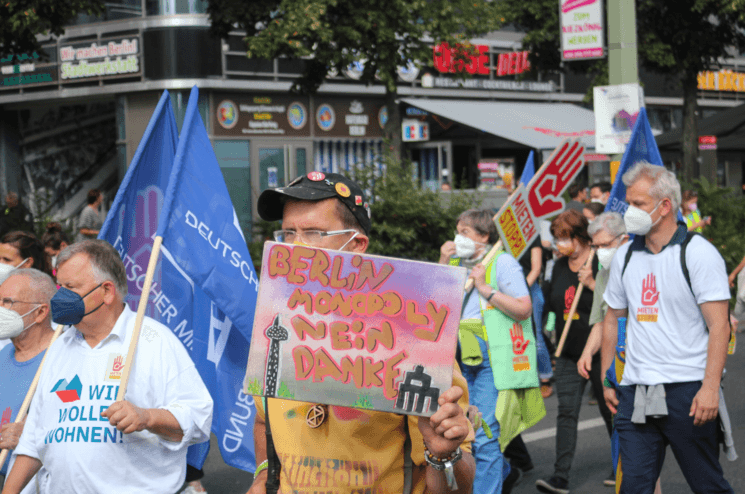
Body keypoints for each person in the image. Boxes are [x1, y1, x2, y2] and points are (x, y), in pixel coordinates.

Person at [248, 172, 475, 494]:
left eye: (313, 232)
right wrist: (263, 474)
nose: (296, 246)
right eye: (288, 232)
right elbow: (262, 420)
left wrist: (444, 455)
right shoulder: (275, 328)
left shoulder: (416, 342)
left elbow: (459, 488)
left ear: (356, 246)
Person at [3, 240, 213, 494]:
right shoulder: (60, 346)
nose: (60, 296)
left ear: (106, 292)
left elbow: (199, 419)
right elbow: (35, 439)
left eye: (70, 287)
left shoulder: (154, 340)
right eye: (60, 286)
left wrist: (147, 417)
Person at [601, 162, 734, 493]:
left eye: (639, 204)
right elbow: (612, 317)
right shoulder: (624, 256)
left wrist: (709, 387)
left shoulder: (698, 253)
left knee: (707, 484)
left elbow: (719, 326)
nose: (630, 212)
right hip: (637, 391)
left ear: (664, 206)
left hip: (686, 391)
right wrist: (608, 377)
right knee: (633, 485)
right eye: (629, 203)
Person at [439, 209, 533, 493]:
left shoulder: (502, 263)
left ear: (483, 236)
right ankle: (502, 472)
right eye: (457, 231)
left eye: (465, 232)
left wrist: (485, 288)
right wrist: (443, 261)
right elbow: (437, 302)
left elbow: (523, 308)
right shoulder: (457, 261)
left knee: (483, 435)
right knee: (468, 431)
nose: (458, 238)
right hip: (463, 358)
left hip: (493, 359)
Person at [536, 210, 613, 494]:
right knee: (566, 413)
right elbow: (551, 304)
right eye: (556, 238)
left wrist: (592, 284)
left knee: (610, 411)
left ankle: (623, 466)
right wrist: (549, 331)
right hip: (568, 354)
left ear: (581, 237)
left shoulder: (601, 262)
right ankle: (560, 476)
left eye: (565, 238)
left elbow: (614, 307)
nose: (560, 244)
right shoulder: (557, 267)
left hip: (600, 353)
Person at [575, 212, 628, 487]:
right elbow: (600, 321)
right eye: (595, 247)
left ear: (624, 239)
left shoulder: (641, 268)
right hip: (616, 368)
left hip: (646, 370)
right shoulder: (604, 272)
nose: (599, 252)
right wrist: (587, 353)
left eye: (605, 245)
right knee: (634, 454)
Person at [0, 269, 57, 493]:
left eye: (8, 302)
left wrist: (32, 435)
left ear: (41, 312)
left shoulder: (63, 356)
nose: (1, 309)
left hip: (36, 483)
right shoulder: (4, 353)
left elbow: (74, 416)